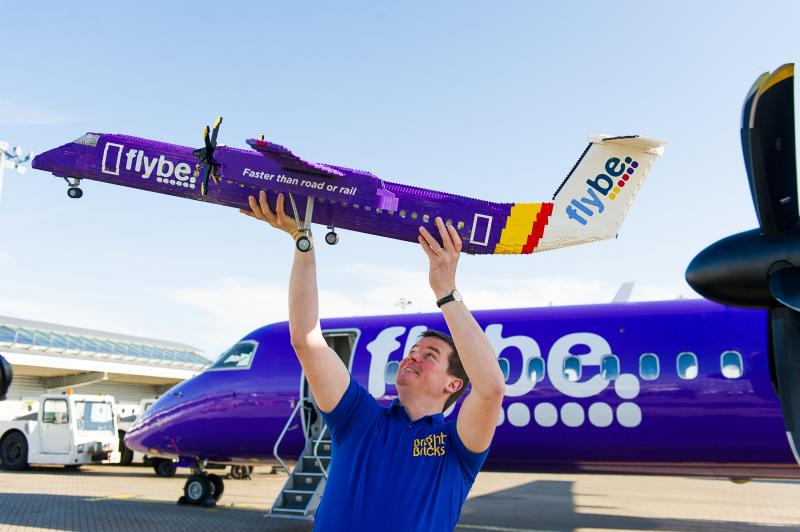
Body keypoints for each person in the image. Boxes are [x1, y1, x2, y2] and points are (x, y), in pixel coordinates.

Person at [241, 191, 505, 532]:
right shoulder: (358, 418)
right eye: (413, 350)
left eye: (429, 356)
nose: (413, 356)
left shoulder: (457, 448)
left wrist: (446, 292)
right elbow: (306, 339)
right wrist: (302, 242)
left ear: (452, 384)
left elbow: (490, 387)